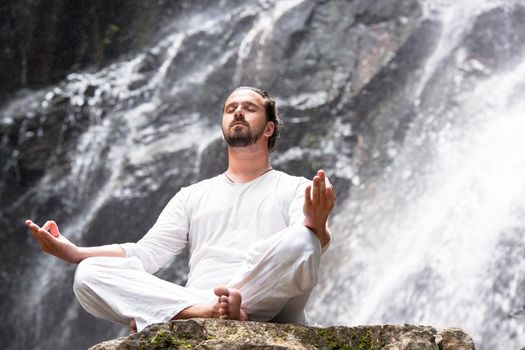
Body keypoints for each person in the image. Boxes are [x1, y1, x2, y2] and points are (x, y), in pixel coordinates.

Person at [25, 86, 335, 333]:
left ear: (269, 129)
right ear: (223, 124)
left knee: (303, 239)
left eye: (249, 107)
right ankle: (205, 313)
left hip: (272, 301)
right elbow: (146, 254)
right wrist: (75, 253)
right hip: (201, 299)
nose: (237, 111)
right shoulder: (192, 195)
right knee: (88, 274)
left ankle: (179, 314)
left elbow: (310, 245)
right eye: (230, 108)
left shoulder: (296, 187)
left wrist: (317, 223)